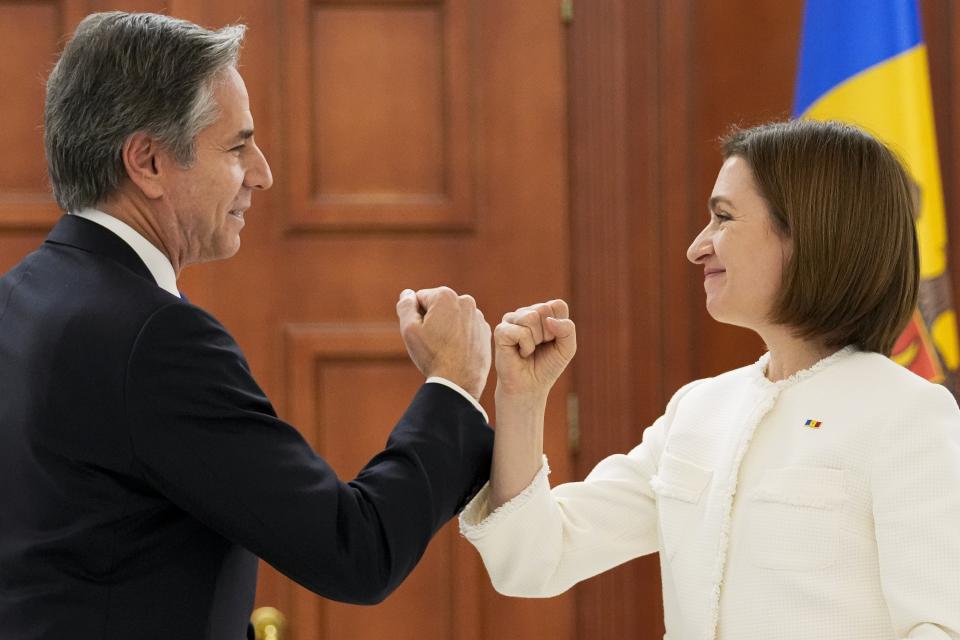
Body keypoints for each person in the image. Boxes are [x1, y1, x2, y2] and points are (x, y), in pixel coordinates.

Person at [0, 12, 494, 640]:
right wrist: (452, 386)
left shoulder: (21, 296)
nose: (262, 173)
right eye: (237, 146)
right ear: (148, 161)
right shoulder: (155, 340)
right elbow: (355, 550)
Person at [461, 119, 960, 639]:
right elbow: (533, 558)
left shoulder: (908, 415)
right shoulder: (698, 409)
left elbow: (941, 628)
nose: (697, 247)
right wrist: (521, 397)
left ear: (812, 231)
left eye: (723, 218)